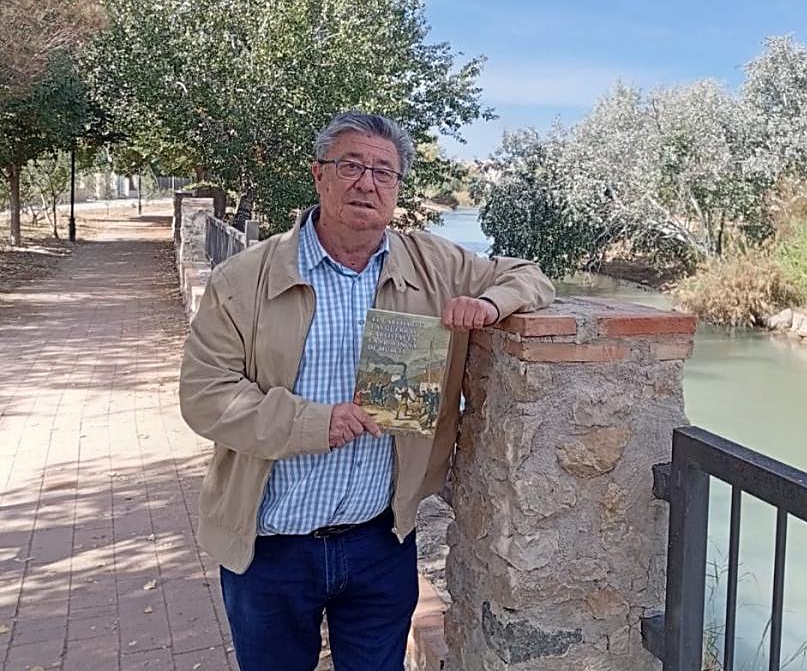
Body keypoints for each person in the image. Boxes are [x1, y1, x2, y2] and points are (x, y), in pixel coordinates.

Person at [179, 112, 554, 671]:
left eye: (384, 172)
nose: (367, 182)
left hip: (381, 542)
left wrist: (489, 304)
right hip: (271, 545)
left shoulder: (433, 262)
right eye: (351, 165)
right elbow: (205, 395)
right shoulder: (243, 279)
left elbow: (530, 274)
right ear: (319, 176)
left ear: (397, 190)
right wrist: (314, 423)